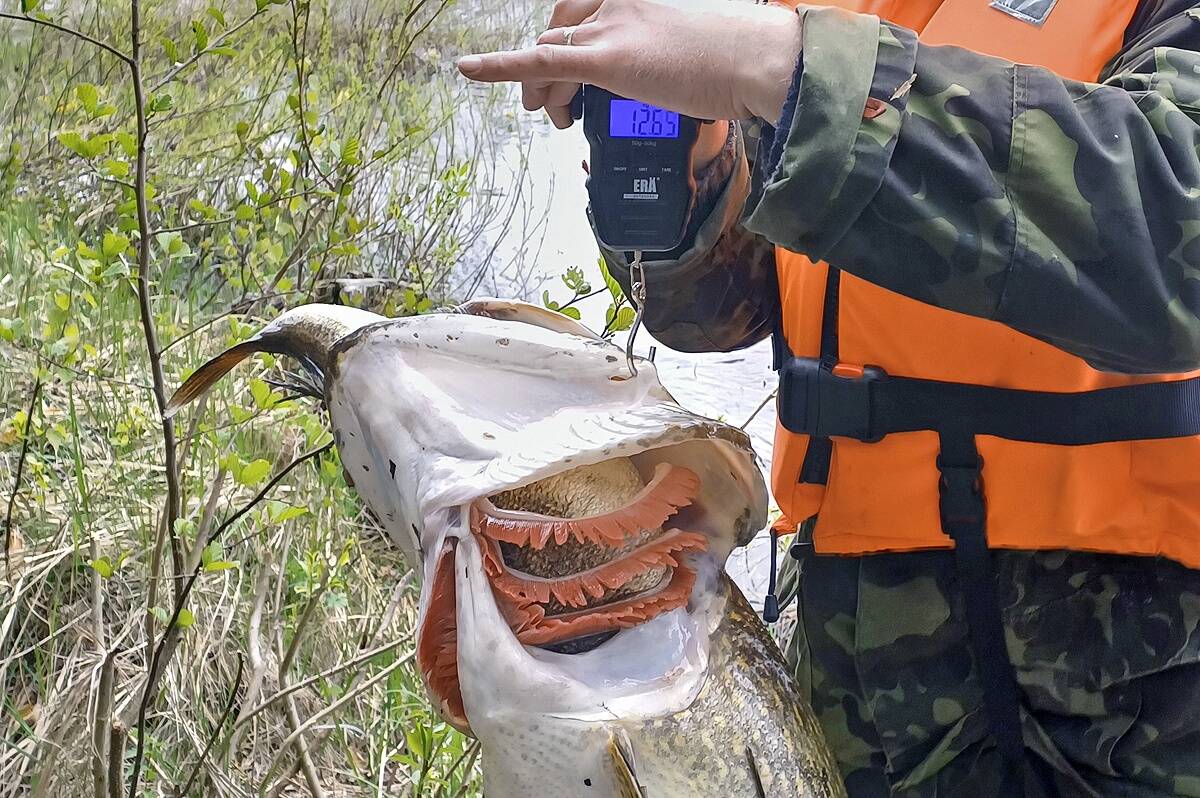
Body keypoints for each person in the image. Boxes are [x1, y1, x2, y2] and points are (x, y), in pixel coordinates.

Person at [457, 1, 1200, 795]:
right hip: (852, 669)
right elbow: (732, 306)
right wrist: (691, 163)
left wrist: (782, 68)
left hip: (1120, 696)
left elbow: (1174, 229)